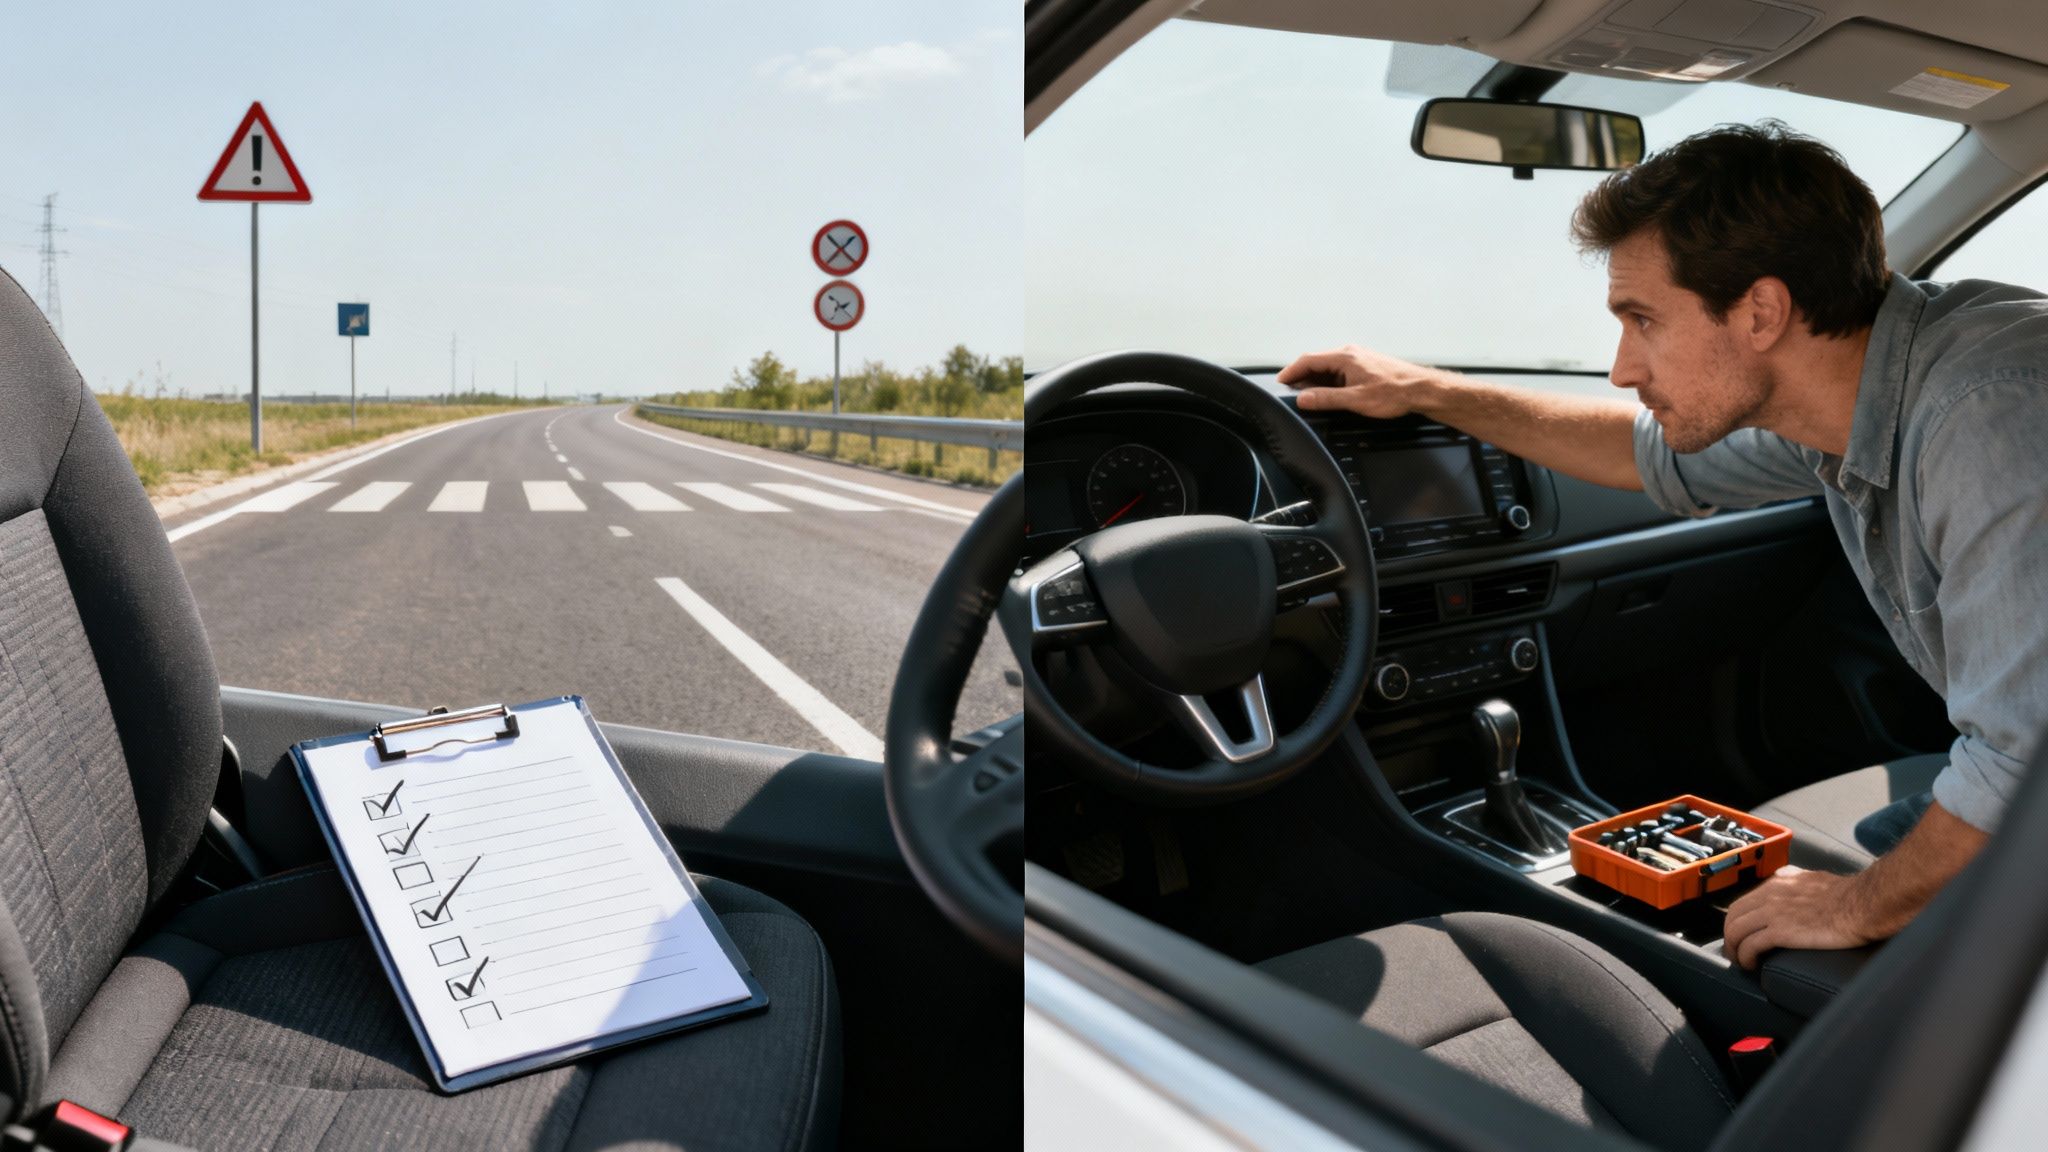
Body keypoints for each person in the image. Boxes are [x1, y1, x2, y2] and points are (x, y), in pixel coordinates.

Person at [1277, 121, 2047, 969]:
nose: (1621, 367)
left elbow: (2021, 773)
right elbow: (1644, 456)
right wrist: (1427, 389)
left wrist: (1855, 905)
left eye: (1642, 319)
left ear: (1761, 311)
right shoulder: (1840, 393)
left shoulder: (1989, 416)